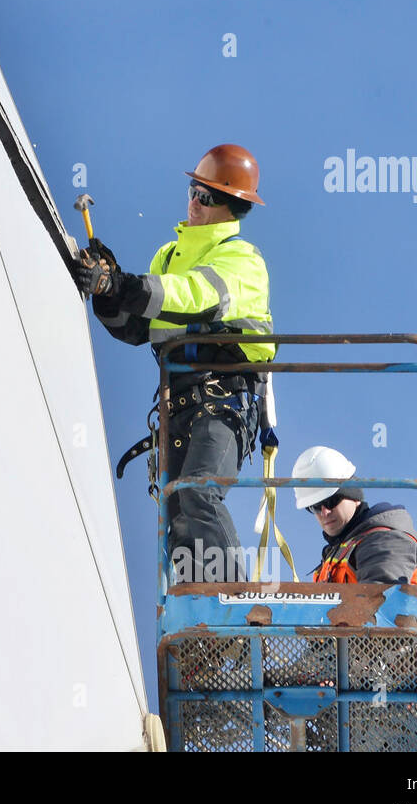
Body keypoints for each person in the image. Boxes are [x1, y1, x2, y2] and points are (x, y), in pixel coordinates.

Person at [73, 144, 274, 583]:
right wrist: (108, 292)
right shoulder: (169, 256)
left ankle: (235, 607)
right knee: (179, 514)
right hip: (179, 405)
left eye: (205, 196)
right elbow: (133, 327)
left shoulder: (242, 259)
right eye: (193, 191)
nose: (193, 202)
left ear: (231, 207)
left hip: (225, 400)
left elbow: (194, 298)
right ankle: (198, 628)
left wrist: (122, 284)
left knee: (200, 492)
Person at [291, 446, 417, 584]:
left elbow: (380, 600)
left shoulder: (385, 540)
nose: (325, 512)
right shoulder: (338, 550)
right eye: (315, 507)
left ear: (354, 496)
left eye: (331, 501)